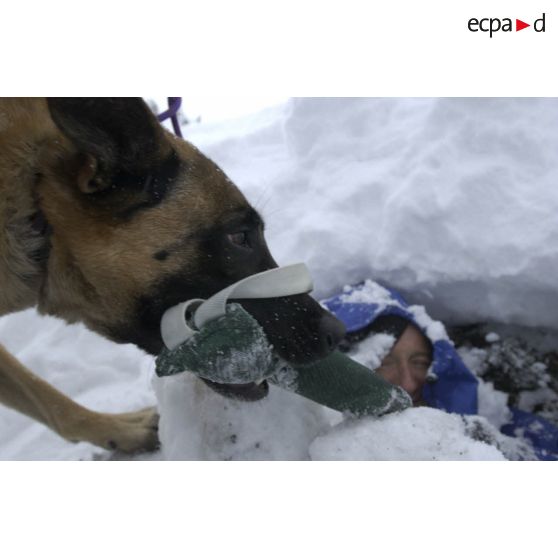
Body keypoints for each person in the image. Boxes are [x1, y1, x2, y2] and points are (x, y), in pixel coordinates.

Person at [321, 279, 558, 460]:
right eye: (385, 362)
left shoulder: (498, 426)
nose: (410, 382)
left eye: (420, 362)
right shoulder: (309, 442)